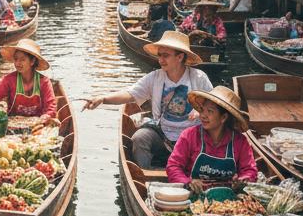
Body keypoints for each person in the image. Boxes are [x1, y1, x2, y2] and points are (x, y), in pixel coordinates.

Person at [82, 30, 213, 169]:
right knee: (139, 138)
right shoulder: (155, 77)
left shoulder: (198, 78)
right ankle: (145, 177)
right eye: (159, 55)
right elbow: (130, 94)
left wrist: (200, 111)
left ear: (180, 57)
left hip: (192, 135)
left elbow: (215, 105)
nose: (161, 60)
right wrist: (103, 98)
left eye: (166, 56)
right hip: (162, 133)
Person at [166, 88, 257, 192]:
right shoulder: (189, 135)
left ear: (223, 117)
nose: (203, 115)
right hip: (194, 195)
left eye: (210, 111)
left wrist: (243, 181)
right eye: (202, 110)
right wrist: (187, 182)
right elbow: (173, 166)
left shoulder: (240, 141)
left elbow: (249, 170)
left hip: (227, 198)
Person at [0, 39, 58, 118]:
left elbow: (51, 106)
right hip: (13, 121)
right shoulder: (8, 80)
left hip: (37, 123)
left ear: (32, 61)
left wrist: (45, 117)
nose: (18, 63)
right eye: (16, 59)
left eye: (22, 59)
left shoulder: (44, 81)